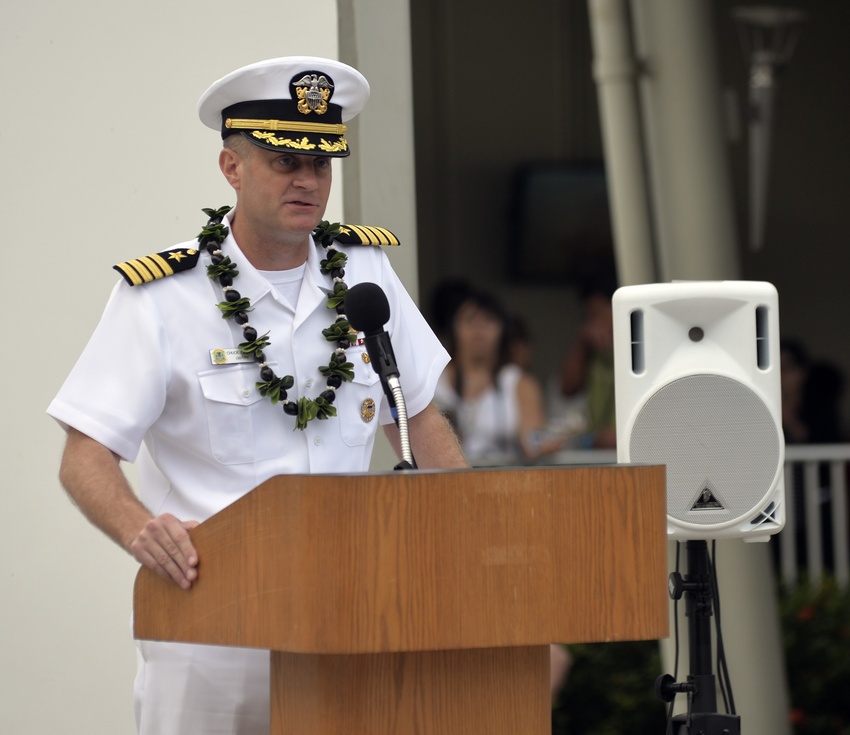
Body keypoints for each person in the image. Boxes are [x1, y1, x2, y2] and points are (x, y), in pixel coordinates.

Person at [47, 57, 467, 735]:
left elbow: (414, 414)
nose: (307, 180)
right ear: (231, 168)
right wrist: (139, 529)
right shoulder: (163, 294)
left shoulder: (364, 273)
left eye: (322, 164)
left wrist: (477, 532)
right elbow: (85, 451)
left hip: (347, 614)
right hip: (211, 628)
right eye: (283, 160)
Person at [434, 289, 563, 463]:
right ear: (453, 329)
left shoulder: (519, 383)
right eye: (469, 320)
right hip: (447, 480)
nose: (478, 330)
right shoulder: (434, 381)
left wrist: (549, 438)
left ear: (503, 330)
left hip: (504, 482)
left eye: (488, 321)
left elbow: (533, 440)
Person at [558, 271, 617, 449]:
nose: (594, 321)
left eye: (599, 313)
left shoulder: (638, 344)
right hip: (597, 448)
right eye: (589, 315)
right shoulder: (590, 347)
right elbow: (567, 389)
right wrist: (582, 341)